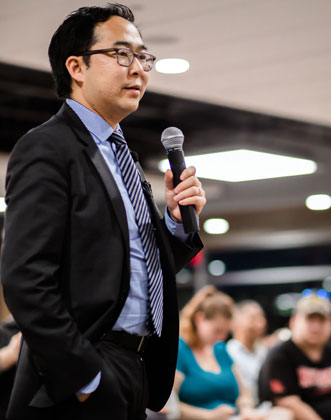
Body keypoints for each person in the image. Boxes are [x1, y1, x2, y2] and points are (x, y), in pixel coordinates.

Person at [0, 4, 205, 420]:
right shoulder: (48, 147)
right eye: (122, 54)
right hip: (80, 377)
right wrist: (85, 380)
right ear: (76, 67)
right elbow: (25, 278)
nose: (139, 69)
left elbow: (131, 265)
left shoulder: (122, 154)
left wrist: (174, 224)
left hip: (136, 368)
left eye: (144, 57)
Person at [174, 286, 285, 420]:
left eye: (226, 332)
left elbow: (244, 393)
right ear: (199, 319)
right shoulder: (180, 350)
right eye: (217, 330)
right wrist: (208, 415)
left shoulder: (220, 349)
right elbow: (170, 404)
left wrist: (246, 409)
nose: (221, 337)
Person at [258, 295, 331, 420]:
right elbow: (287, 402)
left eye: (322, 320)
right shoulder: (280, 354)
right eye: (310, 320)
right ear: (293, 322)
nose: (316, 327)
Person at [227, 300, 268, 405]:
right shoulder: (229, 352)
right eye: (253, 318)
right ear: (235, 322)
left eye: (262, 318)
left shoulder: (263, 351)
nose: (261, 323)